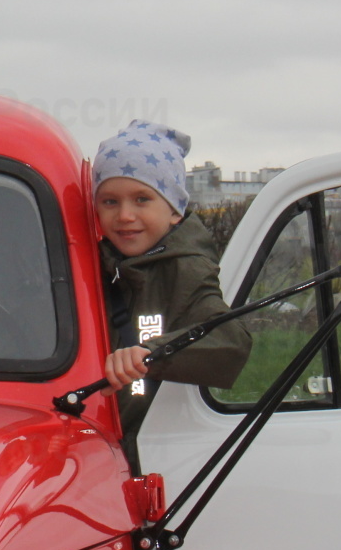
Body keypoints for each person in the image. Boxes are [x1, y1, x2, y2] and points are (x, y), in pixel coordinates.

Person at [93, 120, 250, 474]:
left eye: (142, 199)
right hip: (94, 455)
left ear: (175, 209)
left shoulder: (186, 270)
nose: (125, 216)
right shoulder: (91, 263)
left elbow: (230, 340)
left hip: (145, 464)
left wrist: (151, 353)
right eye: (110, 201)